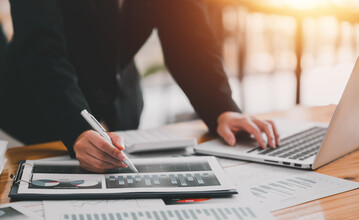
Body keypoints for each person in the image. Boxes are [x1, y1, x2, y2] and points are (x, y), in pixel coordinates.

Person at [0, 0, 279, 173]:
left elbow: (190, 38)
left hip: (121, 101)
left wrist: (221, 109)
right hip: (38, 112)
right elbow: (41, 49)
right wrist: (76, 128)